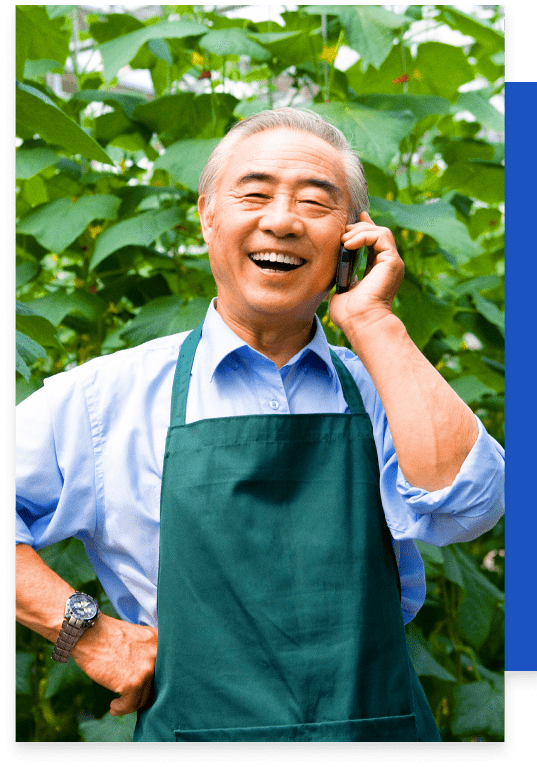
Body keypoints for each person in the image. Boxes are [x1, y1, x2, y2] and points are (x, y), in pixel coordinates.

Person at [15, 108, 504, 743]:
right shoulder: (104, 398)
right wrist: (84, 630)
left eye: (315, 202)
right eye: (254, 193)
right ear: (206, 215)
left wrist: (374, 322)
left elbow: (470, 508)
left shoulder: (383, 388)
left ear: (354, 236)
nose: (281, 220)